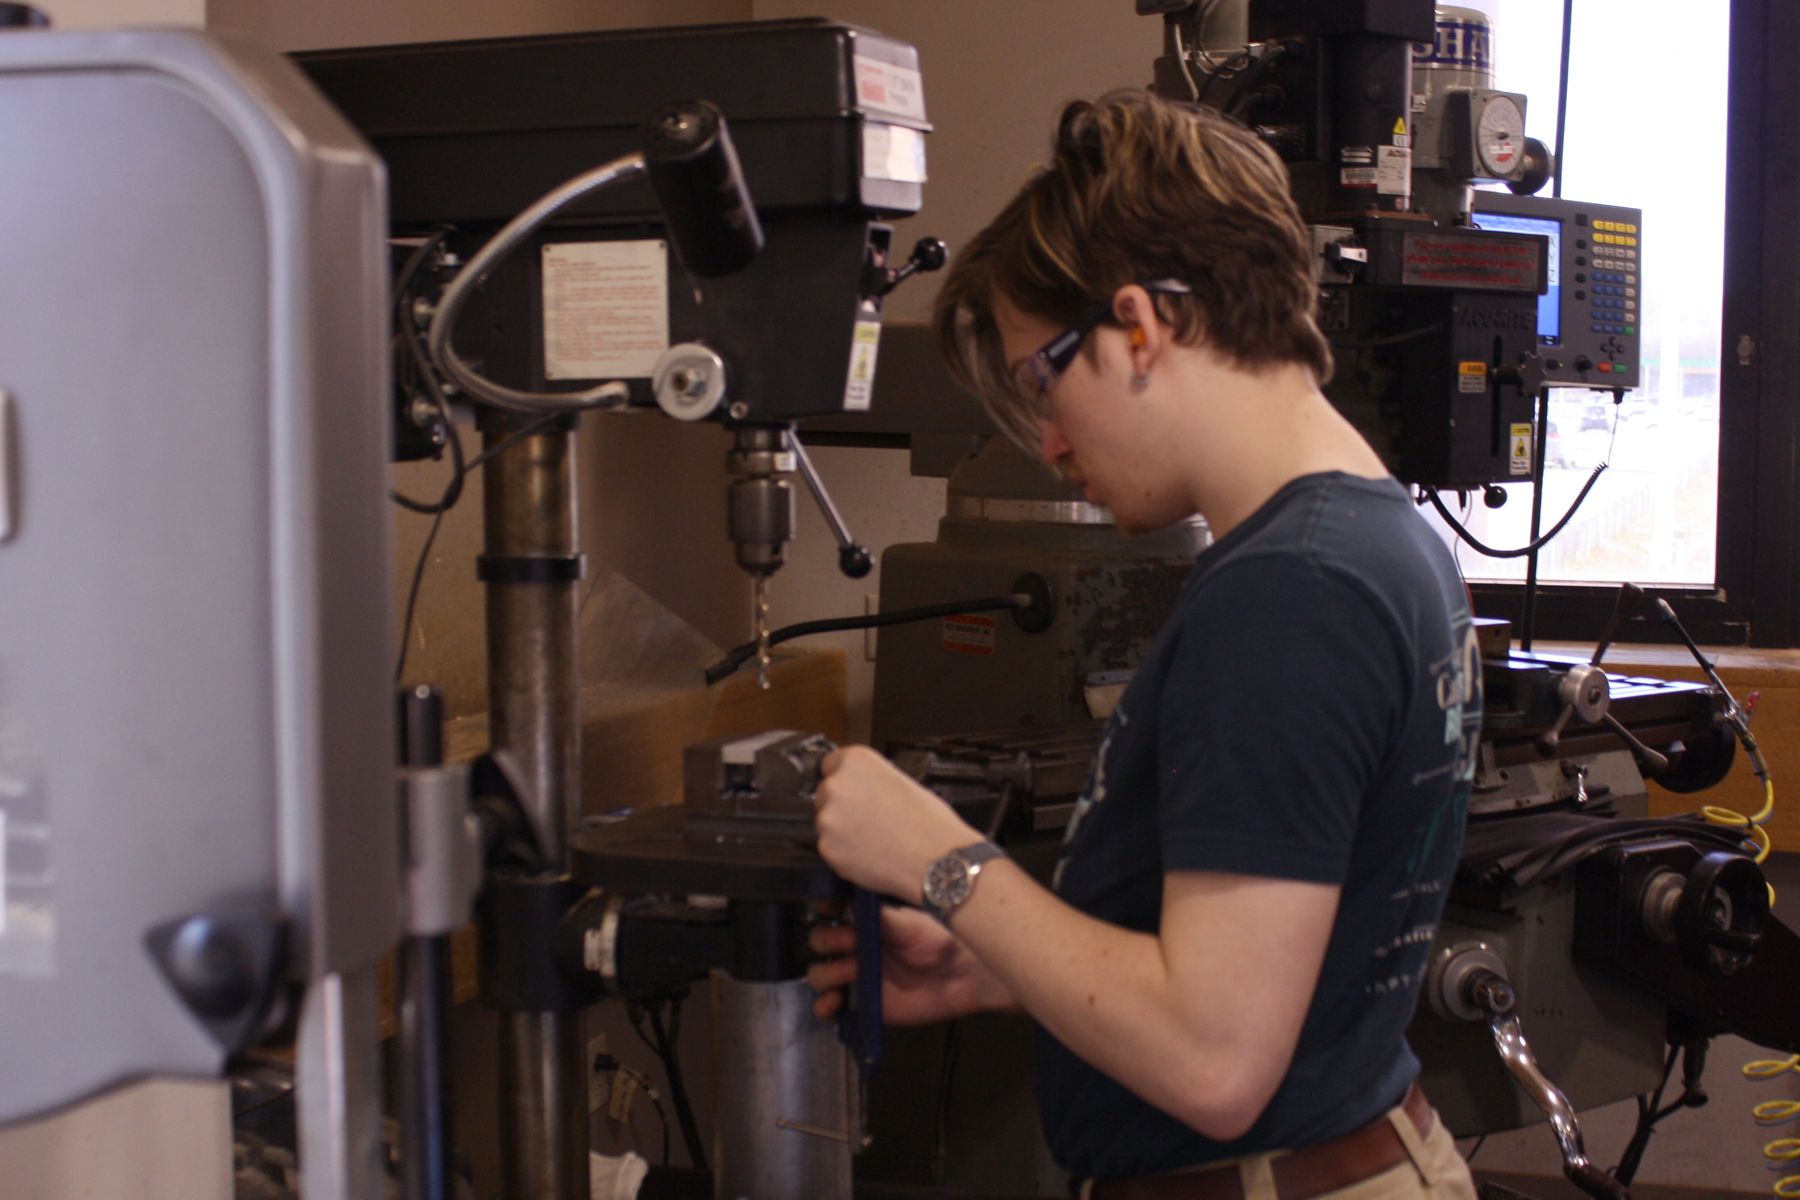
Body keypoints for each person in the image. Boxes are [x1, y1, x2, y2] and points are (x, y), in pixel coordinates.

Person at [807, 89, 1483, 1199]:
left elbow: (1215, 1062)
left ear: (1138, 325)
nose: (1051, 441)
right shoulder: (1375, 533)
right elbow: (1266, 973)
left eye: (1043, 379)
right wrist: (998, 968)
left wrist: (941, 861)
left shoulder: (1290, 589)